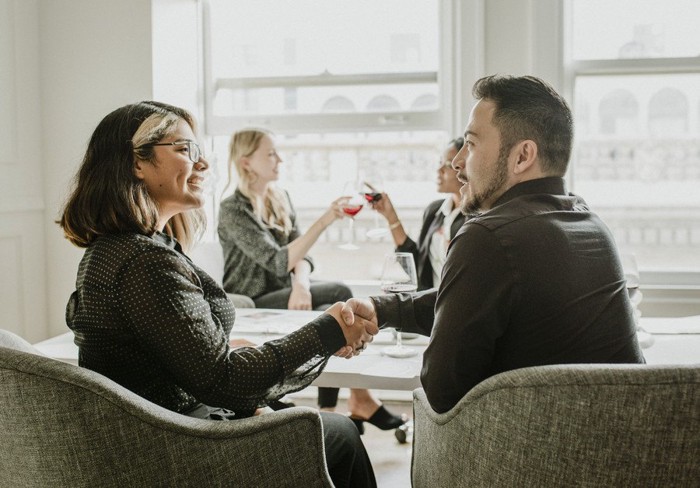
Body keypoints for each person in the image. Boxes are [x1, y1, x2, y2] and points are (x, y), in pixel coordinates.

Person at [58, 101, 377, 488]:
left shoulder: (121, 248)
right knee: (340, 433)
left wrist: (222, 346)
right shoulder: (145, 263)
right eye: (185, 149)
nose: (205, 164)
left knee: (296, 414)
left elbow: (162, 356)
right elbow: (227, 382)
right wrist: (327, 331)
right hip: (173, 449)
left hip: (155, 431)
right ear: (136, 164)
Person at [341, 75, 645, 414]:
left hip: (523, 457)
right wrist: (384, 309)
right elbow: (475, 299)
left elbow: (441, 391)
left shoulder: (486, 237)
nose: (457, 162)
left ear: (522, 156)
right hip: (614, 447)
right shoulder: (593, 226)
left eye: (470, 145)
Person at [217, 128, 407, 433]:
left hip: (286, 288)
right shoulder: (232, 210)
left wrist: (301, 284)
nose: (279, 159)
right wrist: (327, 218)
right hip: (252, 295)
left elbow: (301, 257)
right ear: (246, 163)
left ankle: (341, 403)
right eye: (270, 154)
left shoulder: (280, 198)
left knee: (340, 295)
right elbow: (278, 260)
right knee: (337, 300)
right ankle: (348, 402)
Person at [370, 137, 466, 290]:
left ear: (466, 168)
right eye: (439, 162)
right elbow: (417, 266)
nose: (438, 170)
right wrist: (390, 216)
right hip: (429, 304)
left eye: (447, 165)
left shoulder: (477, 217)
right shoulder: (435, 211)